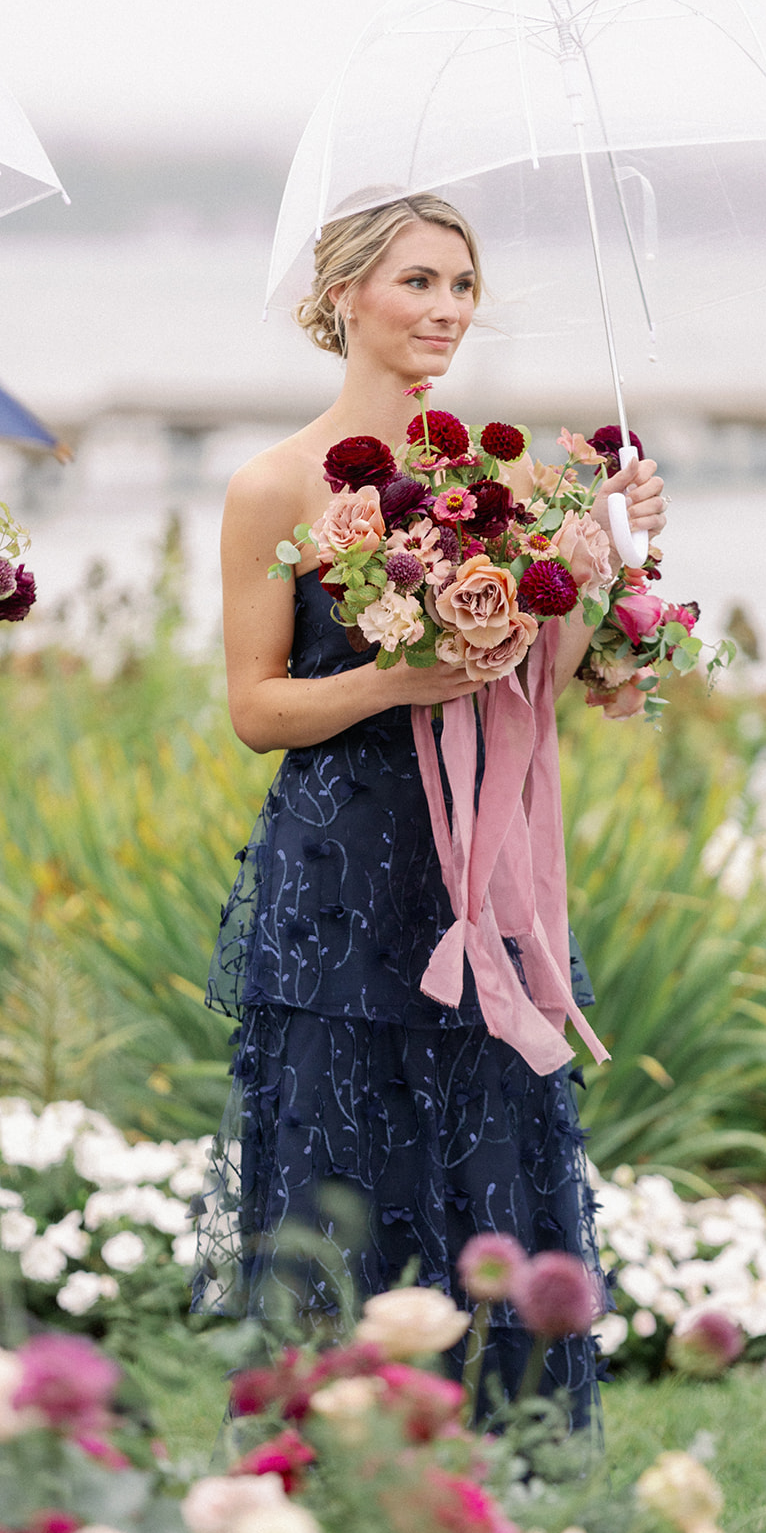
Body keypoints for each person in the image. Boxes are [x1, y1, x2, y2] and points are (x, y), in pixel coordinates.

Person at [192, 192, 666, 1427]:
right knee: (335, 1175)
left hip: (479, 878)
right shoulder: (272, 486)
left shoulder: (495, 487)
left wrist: (606, 558)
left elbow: (555, 689)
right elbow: (254, 706)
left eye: (461, 284)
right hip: (340, 873)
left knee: (486, 1170)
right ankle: (336, 1468)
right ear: (342, 294)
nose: (446, 309)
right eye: (417, 282)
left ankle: (498, 1472)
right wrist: (392, 680)